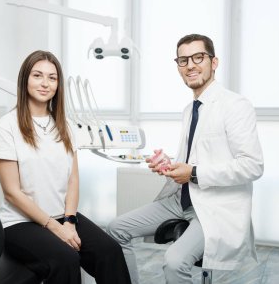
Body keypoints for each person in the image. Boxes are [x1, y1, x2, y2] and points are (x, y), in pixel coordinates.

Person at [107, 34, 264, 284]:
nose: (190, 65)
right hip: (181, 200)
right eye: (183, 60)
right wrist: (168, 164)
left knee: (175, 261)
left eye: (198, 57)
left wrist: (192, 172)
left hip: (213, 207)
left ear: (214, 62)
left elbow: (252, 166)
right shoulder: (190, 109)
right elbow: (197, 158)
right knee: (117, 229)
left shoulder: (235, 105)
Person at [0, 50, 131, 284]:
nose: (45, 83)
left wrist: (70, 221)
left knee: (110, 251)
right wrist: (56, 228)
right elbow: (11, 192)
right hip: (20, 223)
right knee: (65, 259)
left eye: (52, 77)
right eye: (37, 75)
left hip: (62, 217)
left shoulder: (64, 125)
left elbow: (73, 180)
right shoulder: (7, 126)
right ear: (25, 79)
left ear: (58, 84)